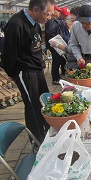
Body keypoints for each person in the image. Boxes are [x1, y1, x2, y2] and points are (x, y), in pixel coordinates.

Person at [2, 0, 55, 143]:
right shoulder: (16, 24)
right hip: (25, 71)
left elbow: (35, 48)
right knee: (33, 107)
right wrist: (12, 73)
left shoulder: (35, 23)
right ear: (36, 10)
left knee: (44, 102)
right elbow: (8, 54)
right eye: (48, 14)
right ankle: (38, 141)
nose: (49, 17)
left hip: (37, 70)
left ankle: (47, 131)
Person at [45, 5, 65, 85]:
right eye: (57, 11)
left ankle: (57, 77)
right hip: (54, 45)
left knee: (58, 60)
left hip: (56, 44)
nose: (59, 13)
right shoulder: (51, 21)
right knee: (56, 61)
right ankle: (55, 78)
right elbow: (50, 33)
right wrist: (56, 41)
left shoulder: (54, 21)